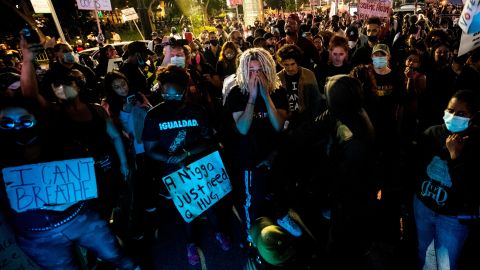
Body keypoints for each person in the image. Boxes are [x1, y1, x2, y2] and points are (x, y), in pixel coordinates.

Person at [142, 64, 231, 266]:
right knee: (187, 211)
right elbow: (150, 149)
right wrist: (170, 159)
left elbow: (210, 140)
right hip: (175, 172)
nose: (169, 99)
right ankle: (190, 243)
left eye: (175, 95)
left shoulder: (197, 111)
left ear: (184, 90)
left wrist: (187, 153)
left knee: (210, 205)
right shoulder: (154, 115)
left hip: (200, 166)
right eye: (165, 95)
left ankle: (219, 232)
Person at [225, 47, 289, 243]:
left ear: (268, 69)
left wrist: (265, 96)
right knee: (252, 201)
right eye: (251, 71)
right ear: (244, 71)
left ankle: (279, 224)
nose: (256, 75)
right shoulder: (236, 93)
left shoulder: (278, 91)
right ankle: (251, 237)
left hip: (274, 155)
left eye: (260, 70)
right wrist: (252, 97)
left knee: (277, 193)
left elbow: (278, 125)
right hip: (249, 158)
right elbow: (243, 128)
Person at [413, 89, 480, 270]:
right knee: (425, 253)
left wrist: (455, 158)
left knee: (446, 262)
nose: (453, 116)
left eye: (461, 114)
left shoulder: (475, 143)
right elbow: (415, 169)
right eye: (450, 111)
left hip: (452, 217)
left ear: (472, 117)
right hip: (424, 207)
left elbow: (471, 190)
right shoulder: (432, 134)